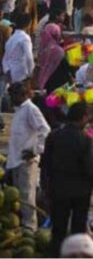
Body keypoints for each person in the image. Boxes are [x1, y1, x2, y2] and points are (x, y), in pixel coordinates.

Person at [41, 101, 93, 257]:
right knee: (78, 230)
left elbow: (45, 165)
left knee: (58, 229)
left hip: (58, 189)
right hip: (80, 192)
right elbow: (90, 170)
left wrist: (45, 188)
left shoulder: (53, 136)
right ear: (84, 117)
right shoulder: (85, 140)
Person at [6, 82, 49, 230]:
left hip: (27, 161)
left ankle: (30, 227)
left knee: (27, 196)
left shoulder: (31, 109)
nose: (11, 99)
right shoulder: (20, 110)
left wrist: (35, 150)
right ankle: (25, 225)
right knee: (21, 197)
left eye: (13, 96)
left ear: (22, 95)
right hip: (17, 160)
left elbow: (45, 130)